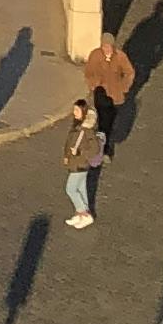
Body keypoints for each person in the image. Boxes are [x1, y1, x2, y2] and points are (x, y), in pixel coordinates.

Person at [61, 97, 106, 228]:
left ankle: (83, 213)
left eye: (77, 110)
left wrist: (79, 153)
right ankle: (82, 213)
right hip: (75, 163)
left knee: (70, 189)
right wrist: (67, 155)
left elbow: (94, 149)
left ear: (83, 111)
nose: (74, 112)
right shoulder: (77, 126)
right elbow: (70, 142)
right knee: (81, 189)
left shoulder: (87, 130)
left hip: (80, 164)